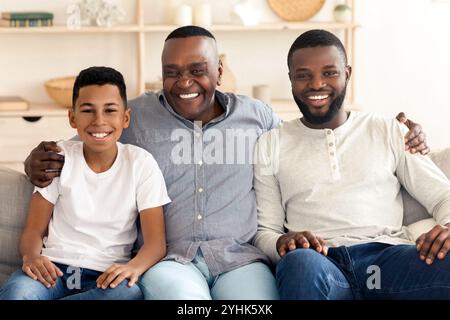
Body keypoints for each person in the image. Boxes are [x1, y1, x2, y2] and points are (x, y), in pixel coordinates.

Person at [24, 26, 429, 300]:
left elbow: (309, 136)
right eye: (172, 72)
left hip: (241, 259)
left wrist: (403, 135)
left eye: (198, 70)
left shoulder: (259, 117)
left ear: (219, 70)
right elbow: (91, 133)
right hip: (171, 260)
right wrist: (35, 161)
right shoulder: (137, 115)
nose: (184, 82)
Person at [253, 29, 450, 300]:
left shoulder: (389, 130)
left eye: (329, 73)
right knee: (298, 264)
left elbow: (443, 196)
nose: (317, 84)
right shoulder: (270, 143)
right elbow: (266, 232)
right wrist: (281, 242)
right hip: (321, 263)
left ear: (347, 73)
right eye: (303, 75)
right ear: (291, 80)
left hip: (388, 261)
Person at [0, 67, 170, 300]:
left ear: (125, 117)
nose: (99, 121)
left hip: (106, 275)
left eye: (110, 110)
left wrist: (134, 267)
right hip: (53, 270)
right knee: (18, 292)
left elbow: (155, 243)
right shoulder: (58, 157)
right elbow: (33, 230)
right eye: (88, 110)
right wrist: (31, 256)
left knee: (126, 295)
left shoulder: (141, 163)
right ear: (72, 117)